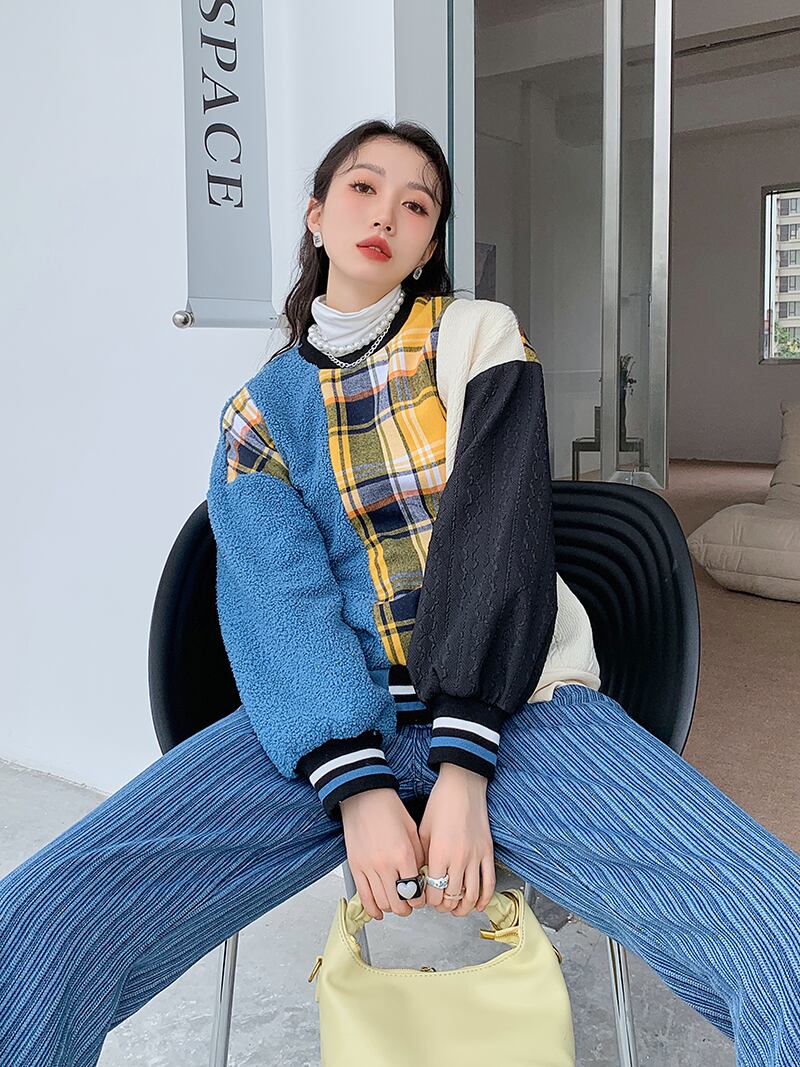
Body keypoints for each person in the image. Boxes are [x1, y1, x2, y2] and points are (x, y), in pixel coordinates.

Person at [0, 117, 797, 1067]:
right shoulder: (257, 415)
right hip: (325, 730)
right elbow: (278, 603)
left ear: (427, 245)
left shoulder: (476, 336)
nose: (387, 214)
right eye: (363, 188)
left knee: (776, 927)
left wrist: (462, 766)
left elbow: (496, 538)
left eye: (416, 205)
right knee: (37, 927)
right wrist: (356, 783)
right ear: (317, 215)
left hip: (519, 713)